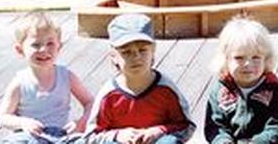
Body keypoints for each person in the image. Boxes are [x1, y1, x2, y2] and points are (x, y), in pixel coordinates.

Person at [83, 14, 194, 143]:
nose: (136, 57)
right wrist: (117, 135)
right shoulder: (109, 95)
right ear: (113, 56)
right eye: (126, 52)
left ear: (153, 50)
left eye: (142, 50)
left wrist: (160, 130)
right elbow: (91, 137)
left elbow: (186, 126)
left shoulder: (166, 89)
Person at [0, 13, 95, 143]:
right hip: (29, 136)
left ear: (59, 46)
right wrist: (23, 123)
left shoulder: (66, 76)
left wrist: (81, 122)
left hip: (60, 135)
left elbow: (91, 103)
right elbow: (4, 117)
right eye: (35, 45)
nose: (43, 49)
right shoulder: (20, 83)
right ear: (20, 50)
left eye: (50, 43)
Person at [204, 16, 278, 144]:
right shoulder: (220, 90)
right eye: (239, 58)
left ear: (266, 59)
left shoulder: (275, 90)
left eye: (256, 57)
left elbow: (277, 128)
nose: (248, 64)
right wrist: (223, 141)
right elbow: (215, 127)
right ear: (226, 59)